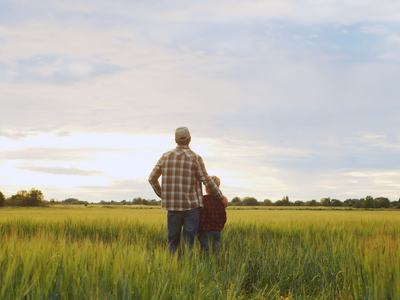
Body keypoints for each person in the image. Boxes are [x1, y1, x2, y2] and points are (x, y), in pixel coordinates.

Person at [148, 127, 228, 253]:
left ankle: (172, 268)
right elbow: (206, 180)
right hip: (192, 208)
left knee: (172, 242)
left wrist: (163, 195)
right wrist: (221, 197)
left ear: (175, 140)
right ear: (190, 139)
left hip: (173, 207)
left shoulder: (165, 157)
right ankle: (187, 265)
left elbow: (152, 178)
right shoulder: (195, 158)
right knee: (188, 243)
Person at [198, 176, 227, 254]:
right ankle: (217, 265)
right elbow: (223, 217)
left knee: (205, 253)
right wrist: (219, 227)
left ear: (207, 187)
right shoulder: (221, 201)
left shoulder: (203, 199)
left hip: (205, 231)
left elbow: (201, 217)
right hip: (217, 231)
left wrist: (199, 229)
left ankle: (205, 266)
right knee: (216, 253)